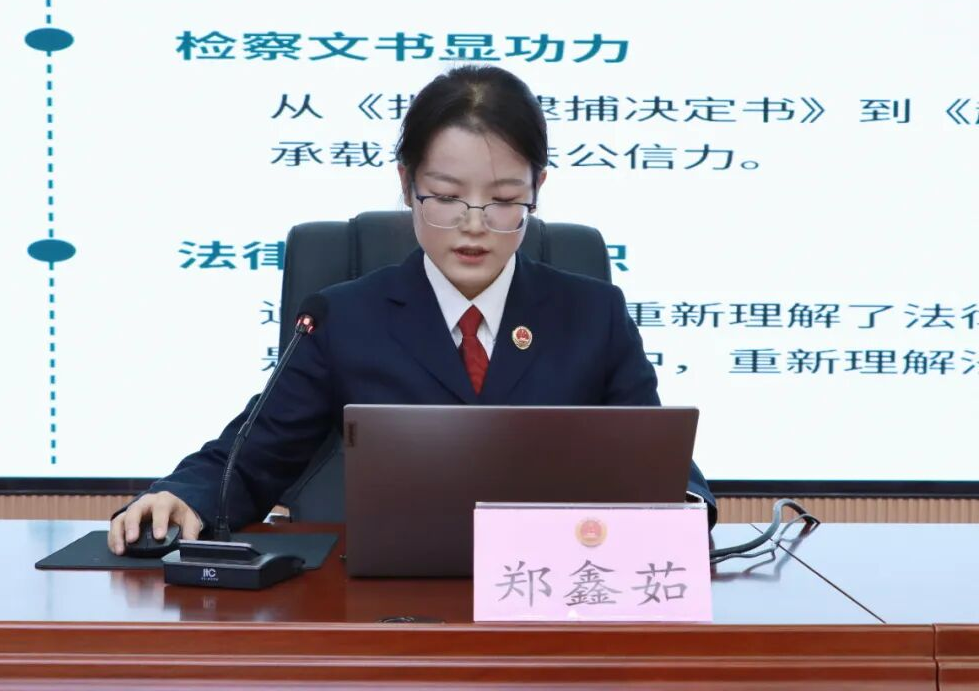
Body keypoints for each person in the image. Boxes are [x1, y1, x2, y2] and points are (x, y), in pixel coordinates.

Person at [108, 64, 716, 555]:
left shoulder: (593, 314)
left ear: (537, 191)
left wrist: (683, 507)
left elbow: (655, 459)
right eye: (446, 197)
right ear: (407, 185)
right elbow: (250, 457)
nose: (474, 225)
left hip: (555, 598)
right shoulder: (344, 319)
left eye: (504, 199)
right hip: (389, 607)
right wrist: (181, 496)